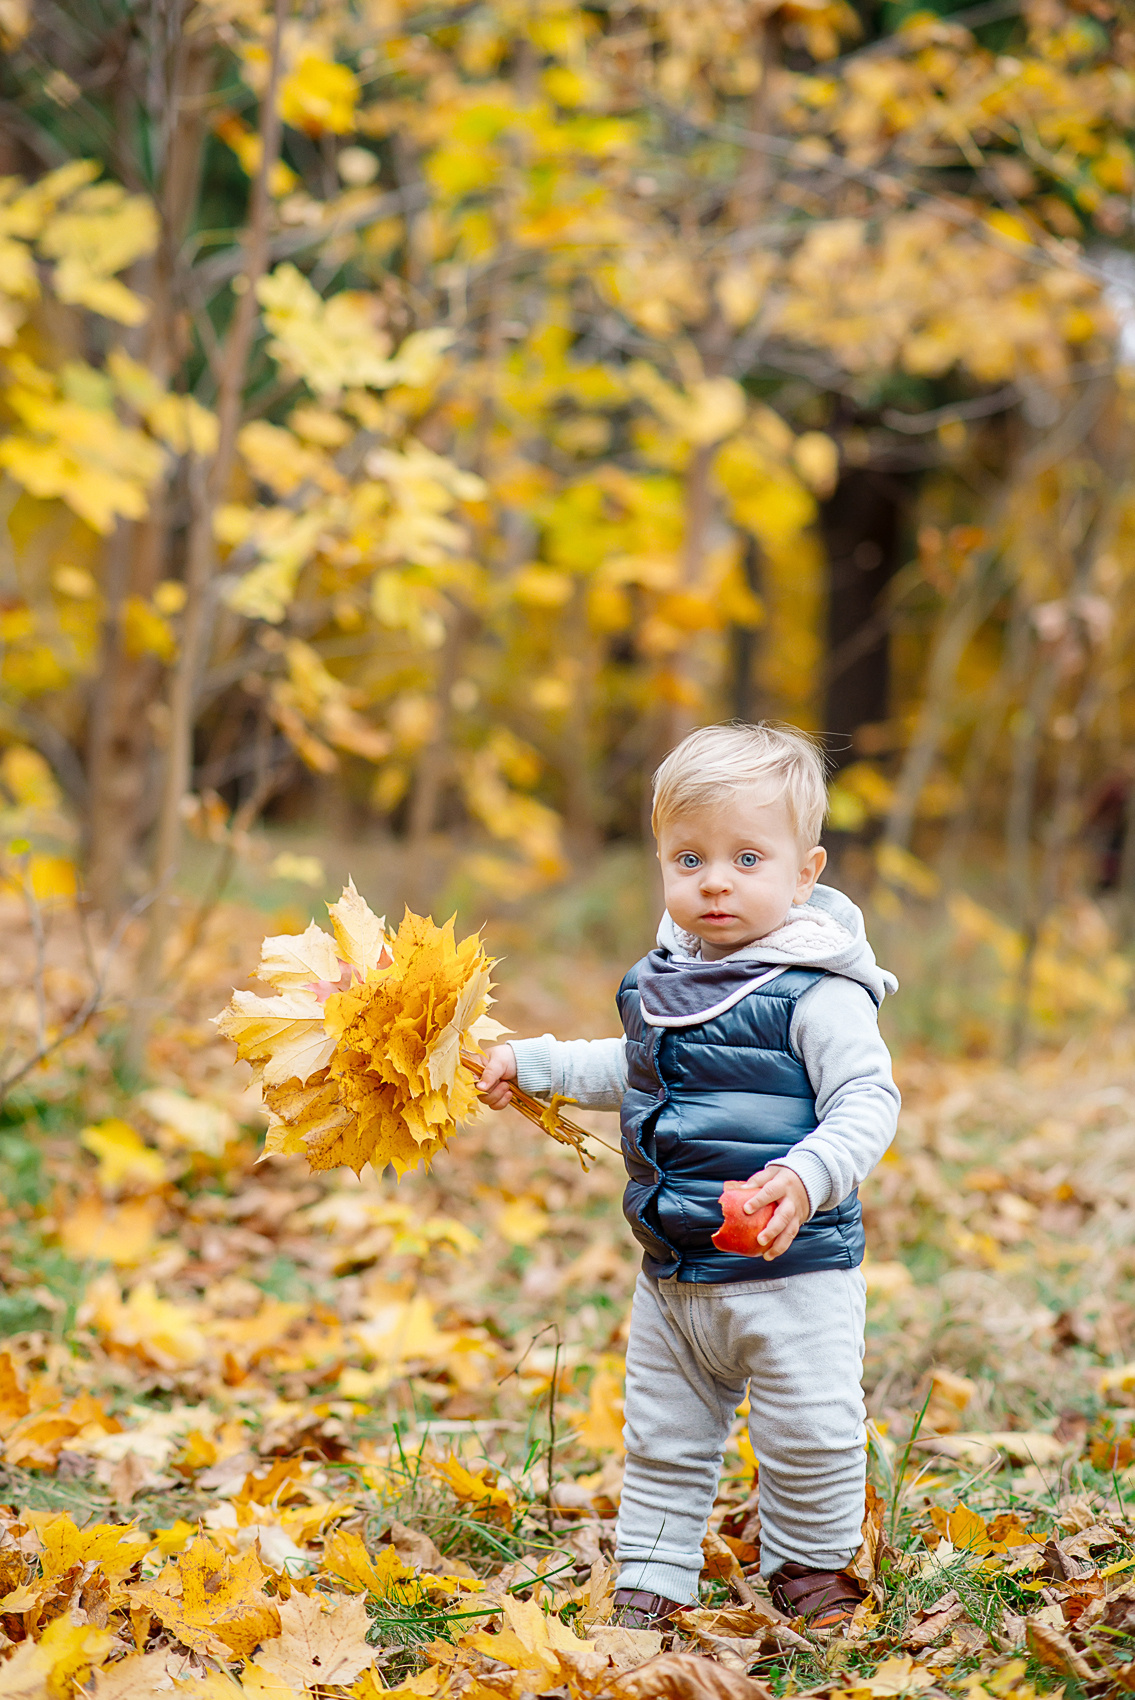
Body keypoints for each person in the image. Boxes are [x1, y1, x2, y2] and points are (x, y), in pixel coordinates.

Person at [478, 722, 900, 1634]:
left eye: (747, 858)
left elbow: (867, 1101)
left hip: (792, 1271)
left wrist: (805, 1177)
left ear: (804, 873)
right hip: (673, 1271)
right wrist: (532, 1064)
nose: (714, 880)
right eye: (689, 858)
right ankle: (654, 1576)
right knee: (664, 1436)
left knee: (810, 1433)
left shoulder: (816, 990)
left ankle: (811, 1569)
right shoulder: (666, 979)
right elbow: (631, 1067)